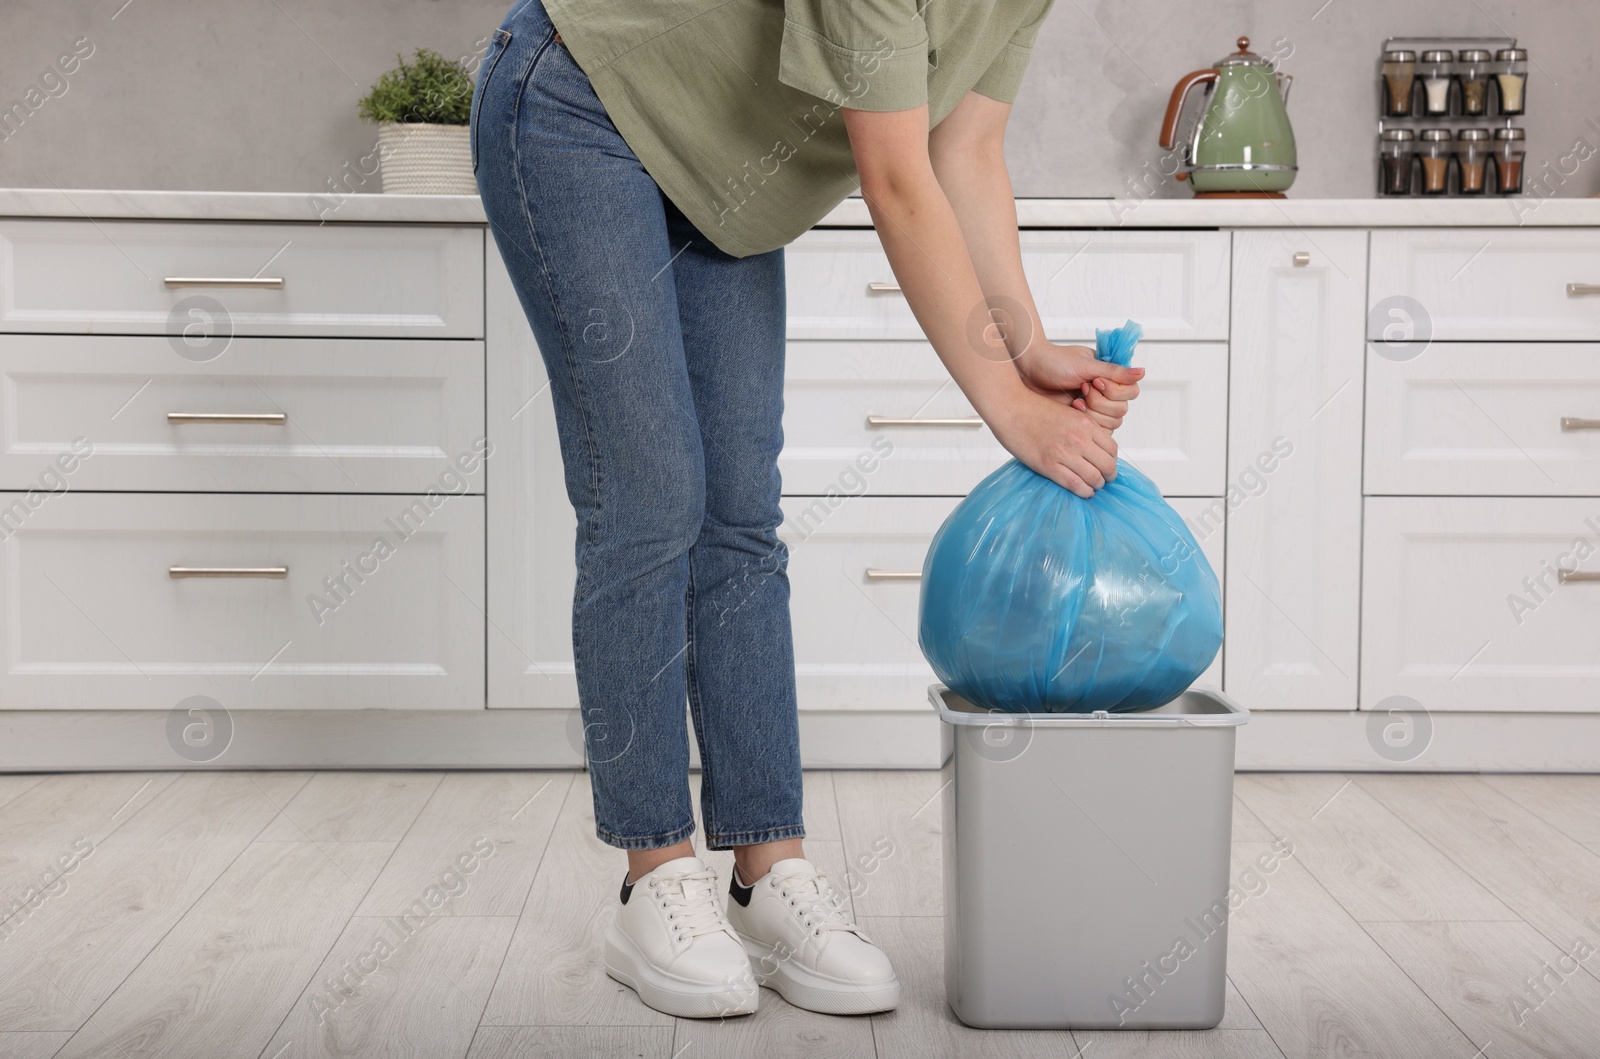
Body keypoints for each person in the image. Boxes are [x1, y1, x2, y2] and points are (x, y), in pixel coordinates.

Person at [470, 0, 1143, 1020]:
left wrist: (1026, 343)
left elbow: (965, 150)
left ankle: (762, 869)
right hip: (581, 103)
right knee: (649, 499)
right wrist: (1005, 404)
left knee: (739, 513)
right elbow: (894, 177)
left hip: (723, 171)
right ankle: (652, 874)